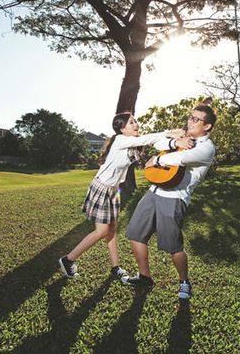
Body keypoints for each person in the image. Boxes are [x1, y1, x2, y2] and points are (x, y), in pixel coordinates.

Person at [58, 112, 184, 282]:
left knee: (111, 229)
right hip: (102, 188)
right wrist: (169, 133)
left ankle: (115, 267)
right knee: (101, 231)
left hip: (114, 190)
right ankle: (67, 260)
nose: (136, 124)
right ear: (122, 129)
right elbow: (148, 139)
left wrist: (175, 137)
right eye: (131, 122)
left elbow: (155, 143)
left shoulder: (132, 144)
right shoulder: (120, 140)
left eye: (135, 121)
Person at [125, 102, 216, 300]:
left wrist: (156, 161)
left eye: (195, 119)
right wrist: (174, 142)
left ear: (207, 126)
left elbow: (180, 159)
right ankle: (145, 277)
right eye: (190, 117)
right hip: (153, 191)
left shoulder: (207, 148)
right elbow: (157, 143)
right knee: (135, 234)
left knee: (173, 246)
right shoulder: (184, 136)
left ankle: (184, 282)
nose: (189, 121)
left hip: (175, 198)